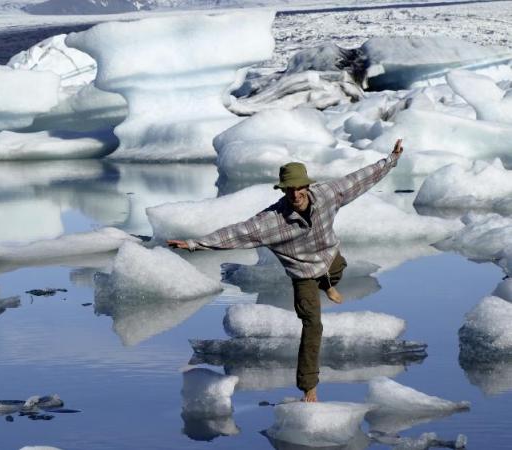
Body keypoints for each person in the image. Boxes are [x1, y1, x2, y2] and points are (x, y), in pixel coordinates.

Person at [168, 139, 404, 402]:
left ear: (307, 186)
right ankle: (309, 387)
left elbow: (360, 179)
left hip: (329, 258)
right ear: (283, 191)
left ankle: (328, 284)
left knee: (339, 267)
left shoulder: (328, 194)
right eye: (289, 189)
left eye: (299, 188)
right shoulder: (270, 222)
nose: (295, 194)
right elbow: (235, 233)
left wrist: (391, 159)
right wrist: (194, 244)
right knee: (312, 325)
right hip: (302, 274)